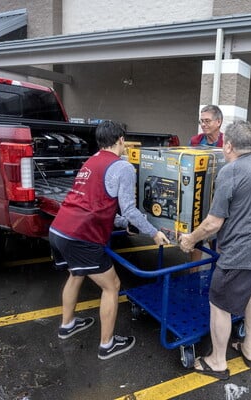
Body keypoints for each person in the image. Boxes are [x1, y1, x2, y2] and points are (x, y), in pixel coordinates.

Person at [49, 120, 170, 360]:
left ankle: (68, 324)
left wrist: (126, 225)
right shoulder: (122, 167)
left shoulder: (91, 162)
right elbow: (130, 210)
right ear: (121, 140)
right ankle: (107, 345)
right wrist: (154, 233)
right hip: (82, 237)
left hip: (59, 230)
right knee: (112, 286)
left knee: (76, 273)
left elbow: (96, 205)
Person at [178, 120, 251, 380]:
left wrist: (190, 239)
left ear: (228, 145)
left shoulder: (232, 170)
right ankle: (248, 350)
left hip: (245, 251)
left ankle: (217, 361)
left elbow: (214, 222)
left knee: (219, 304)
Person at [188, 105, 224, 264]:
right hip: (198, 195)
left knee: (215, 238)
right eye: (202, 121)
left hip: (219, 197)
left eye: (207, 121)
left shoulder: (227, 143)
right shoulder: (195, 141)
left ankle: (216, 274)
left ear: (218, 122)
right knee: (196, 237)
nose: (204, 124)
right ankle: (192, 273)